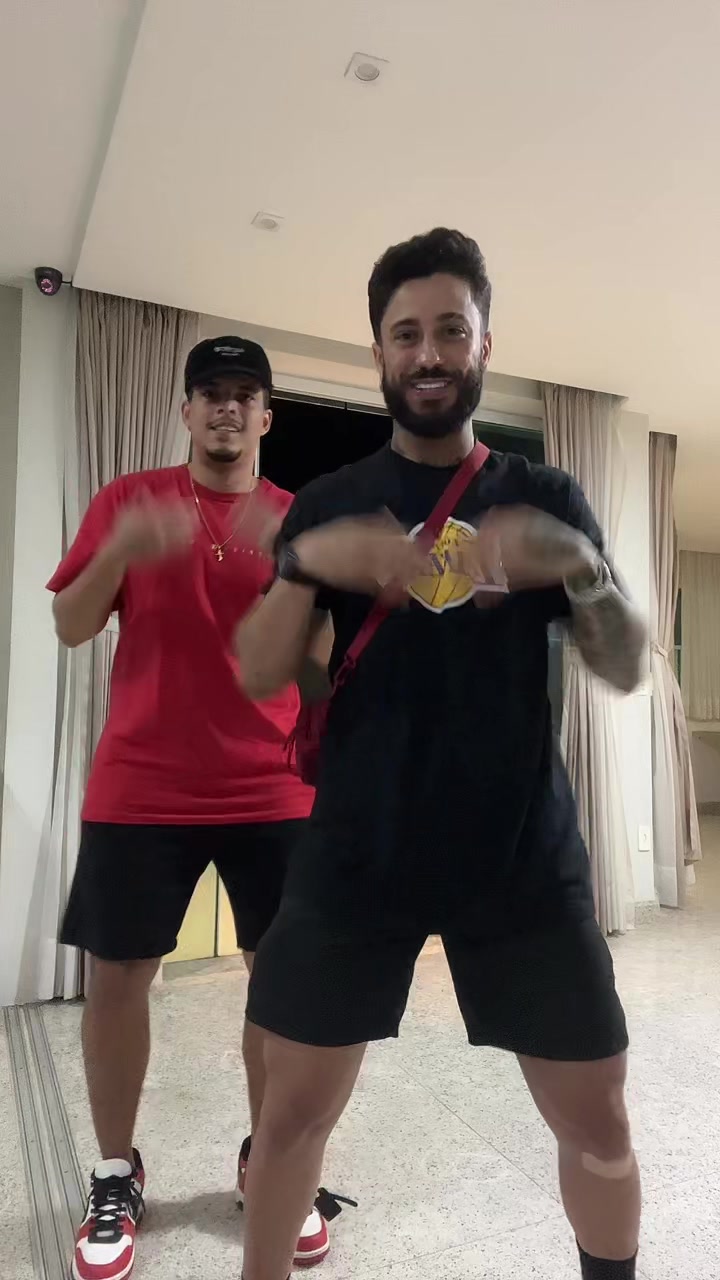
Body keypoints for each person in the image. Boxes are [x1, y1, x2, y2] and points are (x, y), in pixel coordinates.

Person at [235, 229, 647, 1280]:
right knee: (289, 1118)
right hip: (356, 850)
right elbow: (258, 669)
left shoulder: (545, 495)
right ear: (379, 350)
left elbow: (624, 666)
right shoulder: (330, 501)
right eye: (406, 332)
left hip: (519, 852)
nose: (428, 353)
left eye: (450, 330)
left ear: (484, 344)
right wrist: (310, 564)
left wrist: (583, 569)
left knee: (599, 1120)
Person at [49, 335, 344, 1280]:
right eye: (211, 392)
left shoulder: (298, 520)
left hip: (273, 785)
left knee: (282, 983)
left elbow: (319, 657)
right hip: (142, 783)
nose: (227, 407)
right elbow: (70, 624)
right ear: (185, 411)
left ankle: (271, 1161)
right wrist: (120, 553)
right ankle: (114, 1171)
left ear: (266, 417)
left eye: (245, 394)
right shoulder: (128, 501)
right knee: (118, 979)